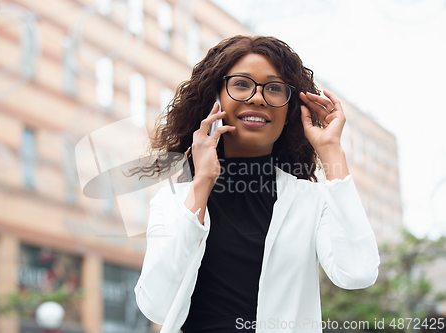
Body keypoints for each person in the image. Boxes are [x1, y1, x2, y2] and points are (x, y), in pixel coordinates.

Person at [133, 35, 380, 333]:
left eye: (274, 88)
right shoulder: (173, 201)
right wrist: (202, 183)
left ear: (289, 111)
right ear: (215, 100)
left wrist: (331, 151)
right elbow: (156, 304)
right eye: (241, 84)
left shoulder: (311, 201)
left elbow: (358, 273)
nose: (257, 97)